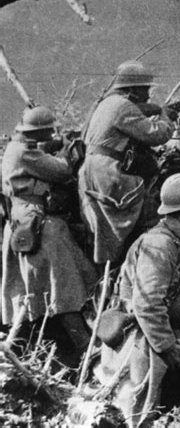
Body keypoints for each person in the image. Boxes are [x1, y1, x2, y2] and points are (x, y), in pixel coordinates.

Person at [95, 173, 180, 427]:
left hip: (160, 327)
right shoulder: (160, 246)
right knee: (140, 408)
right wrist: (167, 347)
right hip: (141, 335)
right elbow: (147, 305)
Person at [1, 106, 97, 360]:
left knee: (37, 290)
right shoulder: (25, 152)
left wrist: (51, 145)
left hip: (23, 219)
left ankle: (17, 349)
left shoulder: (16, 147)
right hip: (36, 223)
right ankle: (86, 349)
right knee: (65, 288)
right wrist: (66, 150)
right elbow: (62, 170)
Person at [78, 60, 173, 265]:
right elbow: (157, 135)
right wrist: (165, 115)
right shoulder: (123, 107)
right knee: (139, 215)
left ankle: (111, 268)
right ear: (131, 90)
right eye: (144, 89)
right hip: (108, 172)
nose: (147, 94)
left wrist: (151, 108)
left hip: (93, 170)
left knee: (105, 227)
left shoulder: (107, 104)